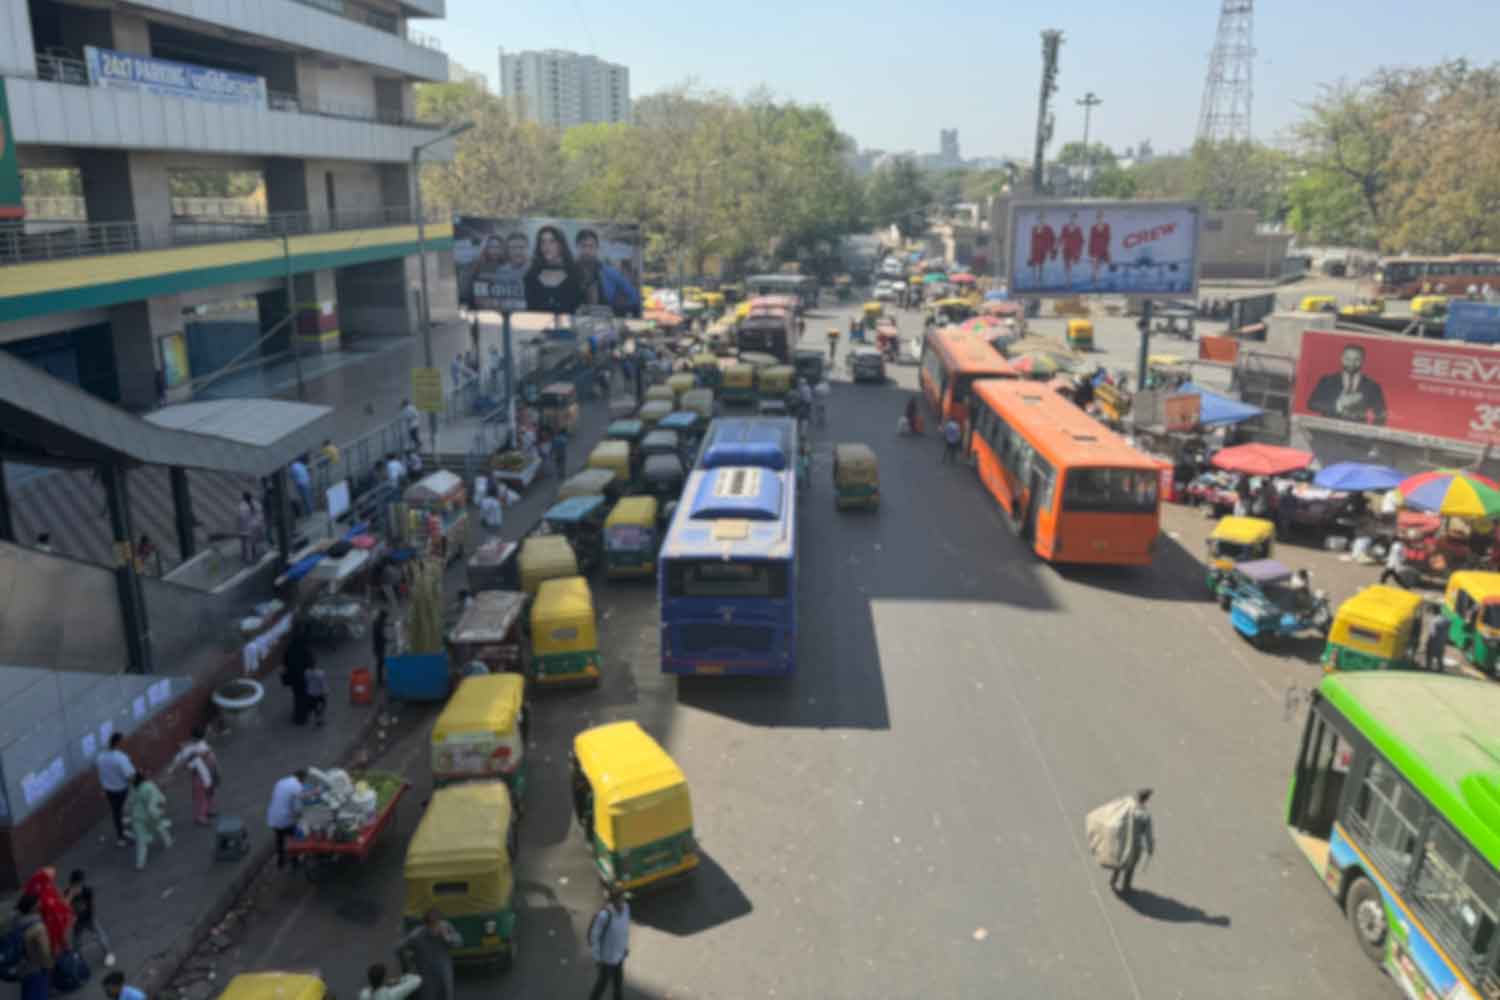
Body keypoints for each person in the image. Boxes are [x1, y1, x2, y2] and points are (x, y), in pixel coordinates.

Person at [1306, 343, 1389, 425]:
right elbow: (1312, 403)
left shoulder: (1373, 386)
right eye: (1347, 359)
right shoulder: (1327, 380)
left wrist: (1370, 433)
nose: (1351, 363)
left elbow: (1381, 414)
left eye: (1357, 359)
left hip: (1357, 434)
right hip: (1327, 431)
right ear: (1341, 358)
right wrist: (1338, 405)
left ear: (1363, 360)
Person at [574, 228, 642, 316]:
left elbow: (634, 297)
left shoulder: (609, 272)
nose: (587, 251)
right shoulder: (569, 271)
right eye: (583, 246)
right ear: (577, 247)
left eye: (591, 246)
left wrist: (615, 309)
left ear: (597, 248)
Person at [401, 909, 461, 1000]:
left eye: (438, 923)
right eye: (433, 925)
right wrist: (409, 966)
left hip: (443, 973)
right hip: (426, 975)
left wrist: (447, 937)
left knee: (446, 995)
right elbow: (400, 948)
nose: (437, 928)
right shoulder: (417, 935)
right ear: (426, 925)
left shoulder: (446, 927)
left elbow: (458, 942)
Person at [523, 225, 582, 314]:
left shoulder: (575, 274)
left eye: (552, 241)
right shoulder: (531, 275)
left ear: (561, 245)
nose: (547, 246)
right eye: (543, 242)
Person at [167, 726, 218, 826]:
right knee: (202, 796)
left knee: (207, 794)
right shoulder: (193, 748)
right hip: (201, 775)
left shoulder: (193, 746)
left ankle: (207, 811)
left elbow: (178, 762)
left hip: (206, 774)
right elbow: (182, 763)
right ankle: (200, 817)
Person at [587, 888, 631, 1000]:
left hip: (619, 955)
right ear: (613, 901)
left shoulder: (626, 908)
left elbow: (625, 929)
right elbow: (594, 937)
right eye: (620, 899)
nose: (622, 902)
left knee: (618, 983)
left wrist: (625, 947)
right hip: (606, 959)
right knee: (602, 984)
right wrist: (597, 958)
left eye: (623, 898)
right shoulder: (604, 915)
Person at [1109, 789, 1155, 894]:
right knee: (1131, 865)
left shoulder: (1128, 809)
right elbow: (1148, 834)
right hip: (1135, 844)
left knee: (1120, 860)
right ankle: (1126, 886)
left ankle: (1113, 880)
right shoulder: (1145, 816)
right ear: (1146, 800)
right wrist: (1150, 847)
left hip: (1123, 840)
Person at [64, 870, 112, 968]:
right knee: (76, 941)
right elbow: (64, 906)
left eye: (80, 883)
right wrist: (71, 895)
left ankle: (108, 953)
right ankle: (77, 957)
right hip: (77, 922)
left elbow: (91, 905)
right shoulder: (68, 892)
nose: (79, 885)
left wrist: (91, 917)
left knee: (100, 935)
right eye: (77, 883)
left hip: (88, 918)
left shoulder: (87, 890)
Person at [125, 772, 172, 871]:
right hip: (151, 815)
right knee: (160, 828)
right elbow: (158, 798)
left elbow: (129, 804)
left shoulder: (133, 789)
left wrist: (128, 815)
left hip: (137, 817)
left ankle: (140, 863)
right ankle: (168, 842)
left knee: (141, 842)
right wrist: (162, 806)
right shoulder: (150, 786)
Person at [95, 734, 135, 848]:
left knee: (116, 811)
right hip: (121, 789)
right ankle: (125, 833)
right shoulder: (121, 758)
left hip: (108, 790)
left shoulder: (100, 757)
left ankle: (121, 835)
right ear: (118, 743)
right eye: (123, 741)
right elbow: (130, 775)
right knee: (123, 809)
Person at [10, 894, 52, 1000]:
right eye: (38, 903)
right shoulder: (38, 927)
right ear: (33, 907)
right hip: (36, 969)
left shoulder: (16, 923)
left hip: (22, 969)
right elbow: (44, 952)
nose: (41, 904)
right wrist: (49, 966)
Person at [266, 770, 307, 870]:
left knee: (279, 838)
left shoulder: (281, 782)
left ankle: (280, 861)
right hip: (286, 820)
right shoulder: (298, 787)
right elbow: (297, 809)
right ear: (302, 779)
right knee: (296, 837)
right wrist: (302, 815)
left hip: (273, 817)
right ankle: (295, 861)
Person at [283, 627, 315, 726]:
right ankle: (303, 715)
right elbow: (311, 663)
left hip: (294, 678)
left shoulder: (290, 649)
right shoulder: (305, 650)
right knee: (304, 696)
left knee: (297, 697)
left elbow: (285, 662)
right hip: (304, 677)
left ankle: (298, 716)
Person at [237, 492, 261, 564]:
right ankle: (249, 558)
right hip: (248, 527)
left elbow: (258, 514)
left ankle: (250, 557)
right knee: (248, 543)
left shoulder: (251, 504)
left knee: (250, 543)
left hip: (251, 526)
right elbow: (242, 518)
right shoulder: (244, 506)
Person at [304, 662, 328, 727]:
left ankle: (311, 716)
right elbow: (323, 684)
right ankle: (318, 720)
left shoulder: (306, 673)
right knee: (320, 707)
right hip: (319, 694)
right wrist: (326, 692)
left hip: (310, 693)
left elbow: (306, 682)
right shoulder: (321, 674)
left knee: (313, 706)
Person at [372, 605, 390, 688]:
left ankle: (380, 680)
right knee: (380, 663)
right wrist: (387, 640)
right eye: (386, 618)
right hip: (379, 647)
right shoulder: (378, 624)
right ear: (383, 617)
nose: (386, 620)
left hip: (377, 646)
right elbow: (381, 636)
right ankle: (379, 681)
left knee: (380, 663)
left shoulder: (377, 622)